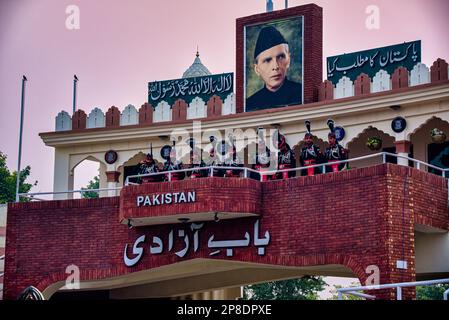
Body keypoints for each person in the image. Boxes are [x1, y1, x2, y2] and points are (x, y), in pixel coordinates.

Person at [246, 25, 302, 111]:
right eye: (267, 60)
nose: (275, 67)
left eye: (280, 57)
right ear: (257, 69)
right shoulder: (250, 105)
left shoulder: (301, 93)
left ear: (288, 60)